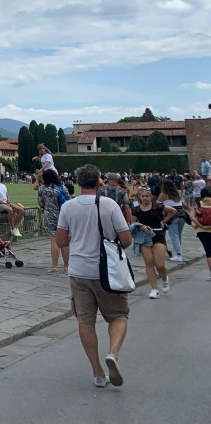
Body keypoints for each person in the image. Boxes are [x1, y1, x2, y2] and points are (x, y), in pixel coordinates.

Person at [55, 164, 131, 388]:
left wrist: (77, 237)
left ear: (78, 182)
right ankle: (113, 353)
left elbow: (60, 241)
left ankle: (97, 372)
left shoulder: (68, 207)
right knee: (118, 315)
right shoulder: (109, 205)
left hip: (79, 270)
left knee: (85, 321)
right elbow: (126, 239)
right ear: (99, 182)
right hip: (107, 271)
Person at [132, 185, 173, 298]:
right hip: (144, 236)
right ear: (140, 197)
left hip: (158, 234)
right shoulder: (136, 209)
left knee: (159, 264)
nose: (145, 198)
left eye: (147, 196)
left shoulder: (157, 206)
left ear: (151, 197)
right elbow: (133, 223)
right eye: (143, 196)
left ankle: (164, 278)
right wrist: (141, 227)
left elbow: (172, 211)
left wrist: (164, 221)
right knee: (149, 262)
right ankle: (154, 289)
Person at [37, 168, 69, 274]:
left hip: (50, 215)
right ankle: (66, 266)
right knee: (64, 241)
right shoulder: (62, 187)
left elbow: (40, 203)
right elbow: (68, 200)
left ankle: (54, 266)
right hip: (62, 215)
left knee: (54, 240)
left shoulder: (42, 189)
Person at [0, 170, 25, 237]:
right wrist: (5, 203)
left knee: (21, 210)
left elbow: (7, 195)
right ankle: (12, 228)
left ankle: (16, 228)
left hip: (5, 203)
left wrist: (8, 201)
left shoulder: (3, 185)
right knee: (10, 209)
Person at [188, 187, 211, 281]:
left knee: (209, 252)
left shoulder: (197, 203)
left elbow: (191, 217)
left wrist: (200, 225)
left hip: (202, 231)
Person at [158, 181, 186, 261]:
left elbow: (158, 205)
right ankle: (179, 252)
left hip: (172, 215)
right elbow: (183, 204)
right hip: (182, 215)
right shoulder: (177, 194)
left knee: (174, 235)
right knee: (178, 235)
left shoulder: (163, 194)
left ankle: (178, 254)